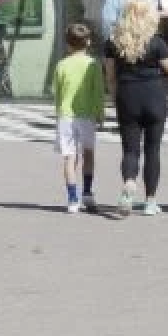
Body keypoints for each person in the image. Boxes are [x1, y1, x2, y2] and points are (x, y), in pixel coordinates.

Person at [102, 0, 168, 217]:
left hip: (127, 95)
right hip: (153, 95)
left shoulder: (113, 42)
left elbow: (110, 77)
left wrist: (114, 96)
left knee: (130, 149)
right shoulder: (157, 42)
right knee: (153, 149)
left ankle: (129, 182)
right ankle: (150, 201)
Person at [50, 21, 103, 213]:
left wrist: (58, 112)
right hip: (87, 114)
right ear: (88, 42)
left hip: (65, 115)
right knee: (88, 154)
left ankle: (72, 198)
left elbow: (57, 91)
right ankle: (87, 193)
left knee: (69, 158)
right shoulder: (93, 64)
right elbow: (98, 91)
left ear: (68, 44)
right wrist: (100, 113)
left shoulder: (61, 65)